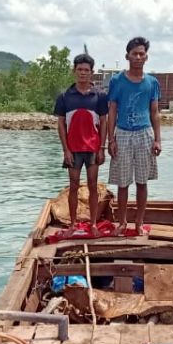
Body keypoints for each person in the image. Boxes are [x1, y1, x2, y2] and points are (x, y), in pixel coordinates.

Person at [107, 36, 161, 236]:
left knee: (142, 181)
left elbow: (155, 112)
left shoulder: (152, 82)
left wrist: (158, 139)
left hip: (144, 133)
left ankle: (138, 223)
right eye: (134, 54)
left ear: (146, 57)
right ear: (127, 56)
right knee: (122, 182)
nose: (138, 57)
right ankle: (122, 223)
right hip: (122, 133)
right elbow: (112, 109)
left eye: (141, 54)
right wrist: (110, 139)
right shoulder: (117, 81)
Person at [54, 53, 108, 233]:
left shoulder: (99, 96)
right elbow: (61, 124)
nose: (83, 73)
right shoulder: (64, 96)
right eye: (80, 70)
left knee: (93, 185)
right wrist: (65, 150)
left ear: (92, 73)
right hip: (73, 149)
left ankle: (93, 224)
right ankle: (72, 225)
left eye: (87, 70)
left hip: (93, 148)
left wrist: (102, 148)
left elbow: (104, 122)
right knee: (74, 186)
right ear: (74, 71)